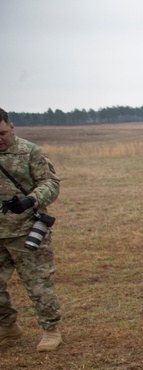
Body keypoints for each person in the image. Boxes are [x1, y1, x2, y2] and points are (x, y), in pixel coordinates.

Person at [0, 108, 62, 352]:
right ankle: (7, 325)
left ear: (11, 127)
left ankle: (51, 330)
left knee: (38, 284)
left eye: (2, 133)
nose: (0, 138)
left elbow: (51, 183)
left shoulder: (30, 152)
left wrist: (30, 200)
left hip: (27, 231)